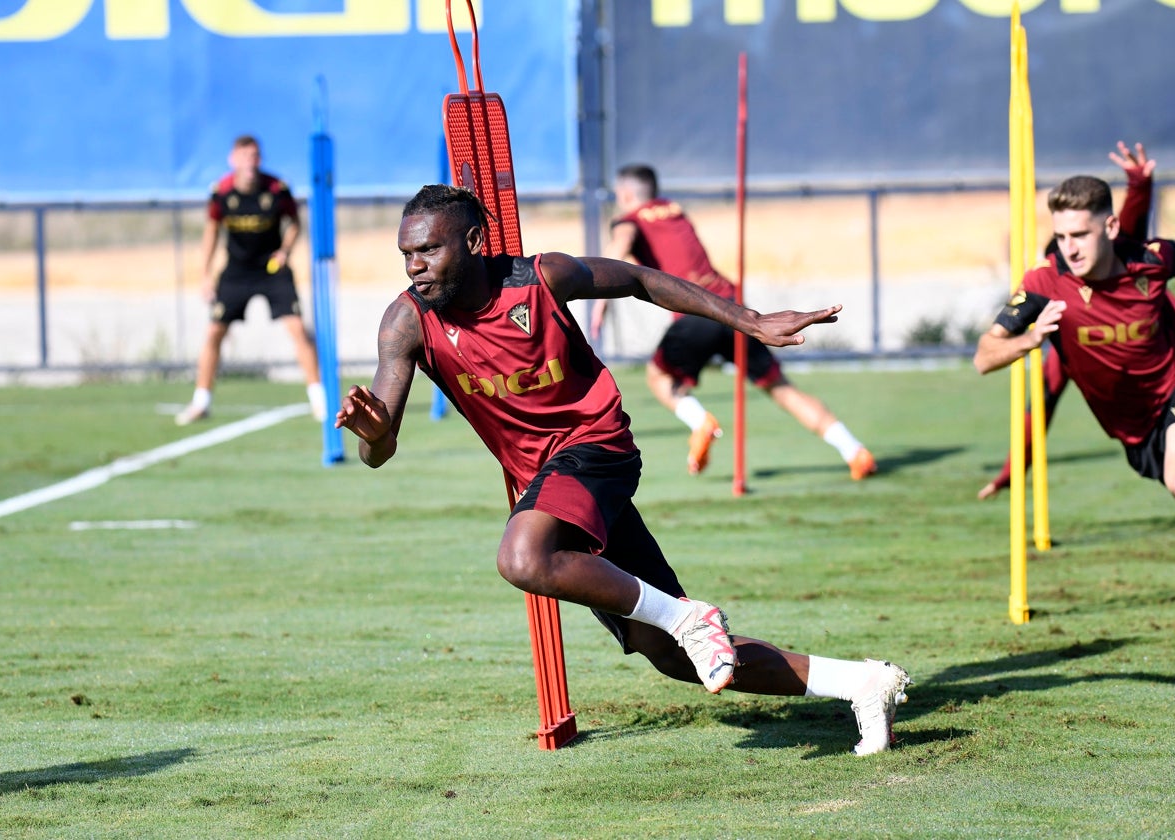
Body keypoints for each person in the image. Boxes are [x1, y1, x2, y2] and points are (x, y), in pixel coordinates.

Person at [336, 185, 912, 754]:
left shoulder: (542, 278)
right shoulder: (405, 324)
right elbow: (378, 447)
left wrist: (750, 320)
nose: (415, 267)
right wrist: (372, 434)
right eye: (407, 255)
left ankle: (688, 617)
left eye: (428, 251)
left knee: (522, 558)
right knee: (668, 653)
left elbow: (639, 280)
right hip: (550, 484)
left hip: (596, 444)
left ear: (474, 240)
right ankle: (860, 683)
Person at [589, 164, 877, 479]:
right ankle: (854, 451)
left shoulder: (629, 220)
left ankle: (701, 423)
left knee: (658, 377)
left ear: (626, 194)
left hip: (696, 312)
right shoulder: (674, 210)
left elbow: (620, 244)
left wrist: (600, 303)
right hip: (735, 309)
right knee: (781, 388)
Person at [973, 165, 1175, 524]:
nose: (1070, 249)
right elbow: (984, 358)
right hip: (1137, 431)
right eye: (1061, 237)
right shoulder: (1046, 284)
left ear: (1109, 228)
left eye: (1079, 235)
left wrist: (1140, 184)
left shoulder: (1152, 259)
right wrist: (1032, 338)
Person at [175, 134, 325, 425]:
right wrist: (205, 275)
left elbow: (294, 223)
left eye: (255, 156)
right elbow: (211, 232)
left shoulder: (276, 189)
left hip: (271, 269)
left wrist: (285, 251)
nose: (250, 162)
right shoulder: (222, 192)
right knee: (214, 333)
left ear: (260, 159)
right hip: (236, 271)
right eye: (244, 156)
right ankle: (201, 401)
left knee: (297, 329)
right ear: (233, 160)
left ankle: (319, 400)